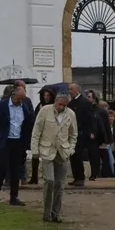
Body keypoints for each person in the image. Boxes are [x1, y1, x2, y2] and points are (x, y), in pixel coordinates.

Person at [0, 85, 35, 206]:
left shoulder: (25, 107)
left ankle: (14, 197)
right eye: (19, 98)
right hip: (4, 141)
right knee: (2, 166)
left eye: (23, 98)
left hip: (18, 141)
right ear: (13, 94)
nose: (21, 101)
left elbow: (28, 124)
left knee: (16, 169)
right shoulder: (1, 105)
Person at [30, 92, 78, 222]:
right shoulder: (45, 111)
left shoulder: (71, 114)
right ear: (55, 102)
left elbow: (74, 134)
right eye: (59, 104)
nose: (61, 107)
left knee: (59, 184)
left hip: (63, 152)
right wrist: (35, 149)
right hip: (47, 150)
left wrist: (71, 149)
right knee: (49, 181)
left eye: (64, 105)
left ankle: (55, 213)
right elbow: (37, 131)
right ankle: (46, 213)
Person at [67, 83, 97, 186]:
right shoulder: (70, 103)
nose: (69, 91)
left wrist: (90, 132)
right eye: (69, 89)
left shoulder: (85, 102)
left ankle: (80, 177)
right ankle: (76, 177)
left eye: (71, 89)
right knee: (73, 155)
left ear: (77, 90)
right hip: (72, 133)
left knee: (78, 154)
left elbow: (90, 118)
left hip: (81, 132)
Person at [28, 87, 56, 184]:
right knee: (35, 155)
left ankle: (49, 176)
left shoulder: (54, 107)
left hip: (49, 134)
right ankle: (34, 177)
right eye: (44, 95)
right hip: (39, 133)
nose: (46, 97)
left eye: (48, 95)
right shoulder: (39, 106)